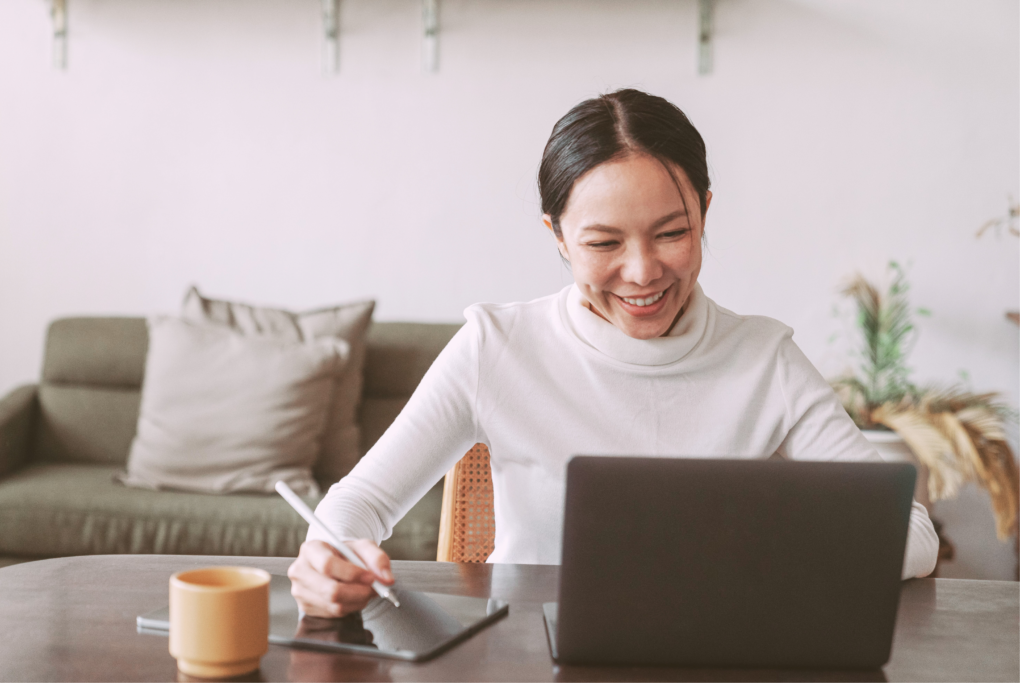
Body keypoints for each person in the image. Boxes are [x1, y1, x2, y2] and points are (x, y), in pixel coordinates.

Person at [288, 89, 939, 617]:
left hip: (715, 657)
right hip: (529, 656)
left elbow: (912, 534)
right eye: (603, 243)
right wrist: (329, 555)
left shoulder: (764, 359)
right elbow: (358, 502)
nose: (642, 271)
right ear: (559, 237)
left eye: (673, 232)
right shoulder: (497, 347)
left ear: (705, 213)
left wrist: (770, 550)